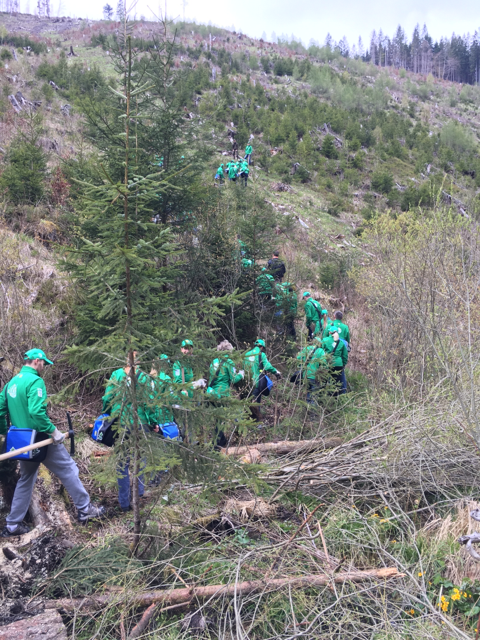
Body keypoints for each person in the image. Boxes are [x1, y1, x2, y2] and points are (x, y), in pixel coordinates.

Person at [0, 349, 105, 536]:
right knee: (68, 469)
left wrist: (6, 433)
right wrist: (54, 431)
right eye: (44, 363)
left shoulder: (11, 384)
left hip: (22, 441)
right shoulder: (35, 381)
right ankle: (85, 509)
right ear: (36, 361)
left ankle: (13, 524)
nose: (44, 367)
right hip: (41, 439)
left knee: (26, 479)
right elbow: (37, 412)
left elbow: (0, 412)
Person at [102, 352, 151, 512]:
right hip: (140, 422)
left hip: (121, 423)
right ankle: (140, 494)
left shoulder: (116, 375)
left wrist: (107, 414)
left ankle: (124, 503)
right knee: (140, 458)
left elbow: (107, 398)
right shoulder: (143, 377)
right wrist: (153, 422)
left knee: (122, 463)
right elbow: (148, 401)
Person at [206, 340, 244, 447]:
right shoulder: (228, 362)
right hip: (223, 394)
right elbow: (233, 379)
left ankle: (220, 441)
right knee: (230, 415)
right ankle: (219, 443)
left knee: (218, 419)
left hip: (212, 393)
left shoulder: (214, 361)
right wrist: (241, 375)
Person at [244, 339, 281, 422]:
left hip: (247, 383)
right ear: (262, 347)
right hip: (257, 382)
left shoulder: (246, 354)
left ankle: (246, 422)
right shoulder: (261, 355)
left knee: (248, 403)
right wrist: (276, 372)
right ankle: (257, 424)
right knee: (256, 404)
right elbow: (267, 367)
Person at [296, 337, 327, 404]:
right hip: (314, 376)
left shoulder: (306, 348)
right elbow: (324, 364)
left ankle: (306, 409)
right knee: (313, 395)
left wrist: (300, 367)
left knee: (307, 393)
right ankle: (312, 412)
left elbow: (298, 358)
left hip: (305, 375)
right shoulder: (321, 351)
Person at [322, 326, 348, 395]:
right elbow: (345, 356)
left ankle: (327, 395)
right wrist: (343, 364)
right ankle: (339, 396)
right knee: (339, 381)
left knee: (327, 380)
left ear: (330, 332)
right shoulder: (341, 343)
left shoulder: (324, 340)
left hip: (329, 364)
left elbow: (320, 351)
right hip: (339, 364)